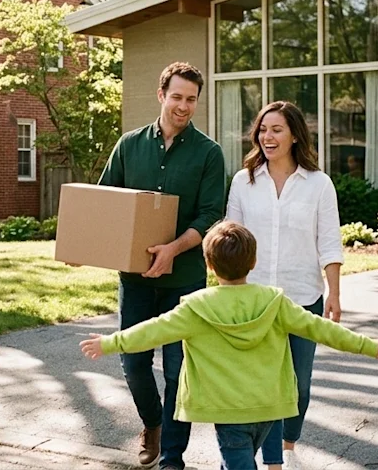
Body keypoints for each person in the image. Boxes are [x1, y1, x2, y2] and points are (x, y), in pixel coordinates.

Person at [80, 221, 378, 470]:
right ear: (254, 261)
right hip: (270, 407)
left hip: (229, 410)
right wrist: (370, 346)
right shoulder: (274, 301)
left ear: (208, 265)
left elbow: (152, 331)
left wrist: (109, 343)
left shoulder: (196, 307)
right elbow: (320, 328)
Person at [96, 61, 226, 470]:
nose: (183, 106)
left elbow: (209, 216)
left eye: (191, 99)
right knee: (133, 361)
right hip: (134, 279)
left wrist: (172, 248)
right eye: (177, 97)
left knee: (175, 372)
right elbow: (105, 202)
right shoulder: (129, 145)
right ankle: (151, 423)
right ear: (161, 95)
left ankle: (172, 454)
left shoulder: (209, 153)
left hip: (184, 280)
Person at [225, 101, 343, 470]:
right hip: (254, 301)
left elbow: (329, 241)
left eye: (276, 129)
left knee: (299, 386)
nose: (267, 136)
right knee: (261, 385)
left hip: (302, 297)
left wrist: (335, 293)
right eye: (262, 129)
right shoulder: (244, 181)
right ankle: (271, 457)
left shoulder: (319, 184)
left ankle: (288, 445)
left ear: (294, 135)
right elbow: (231, 238)